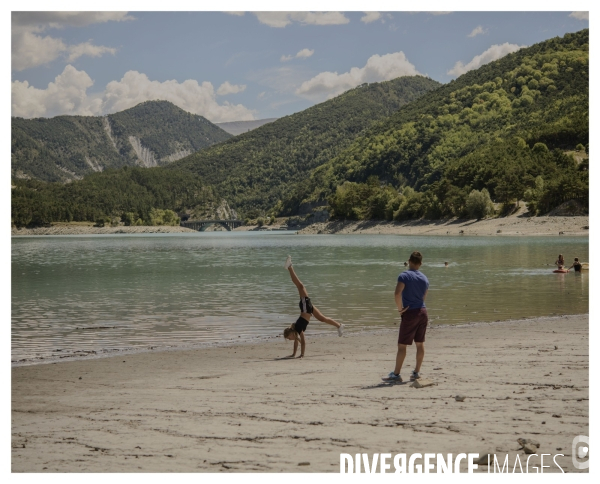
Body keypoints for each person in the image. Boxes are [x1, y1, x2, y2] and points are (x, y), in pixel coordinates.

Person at [282, 256, 344, 358]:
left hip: (305, 308)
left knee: (300, 286)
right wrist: (293, 354)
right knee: (322, 318)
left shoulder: (297, 328)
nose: (290, 339)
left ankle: (290, 267)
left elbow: (303, 341)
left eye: (289, 338)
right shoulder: (296, 331)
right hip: (307, 309)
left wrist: (302, 354)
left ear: (291, 334)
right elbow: (297, 342)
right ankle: (339, 325)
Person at [383, 251, 429, 382]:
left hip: (410, 313)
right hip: (423, 311)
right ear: (420, 263)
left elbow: (397, 294)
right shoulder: (425, 278)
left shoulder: (404, 275)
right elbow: (423, 297)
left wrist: (400, 309)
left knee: (402, 345)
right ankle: (416, 373)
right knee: (420, 344)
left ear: (409, 261)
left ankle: (396, 375)